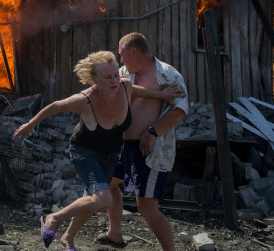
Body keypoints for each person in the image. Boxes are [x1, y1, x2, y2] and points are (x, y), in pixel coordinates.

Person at [13, 50, 180, 250]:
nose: (114, 81)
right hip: (85, 152)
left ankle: (74, 237)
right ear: (94, 79)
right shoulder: (84, 100)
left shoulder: (124, 86)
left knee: (94, 198)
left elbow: (137, 90)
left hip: (111, 154)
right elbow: (55, 106)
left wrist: (161, 94)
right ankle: (54, 218)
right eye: (108, 77)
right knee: (102, 199)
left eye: (116, 75)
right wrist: (30, 124)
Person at [97, 32, 188, 251]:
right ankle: (115, 233)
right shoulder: (123, 73)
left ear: (134, 52)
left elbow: (181, 110)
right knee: (106, 185)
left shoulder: (166, 75)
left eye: (122, 55)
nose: (121, 60)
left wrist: (152, 132)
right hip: (121, 146)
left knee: (146, 206)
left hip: (149, 149)